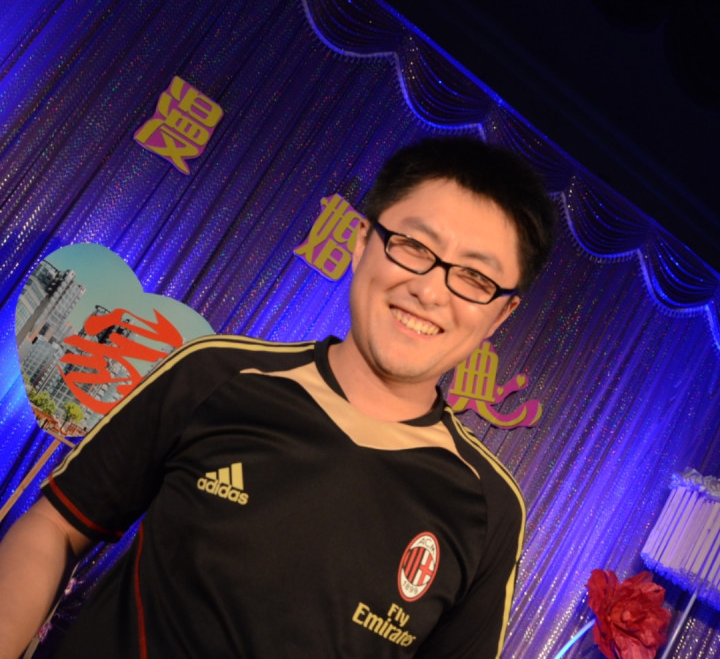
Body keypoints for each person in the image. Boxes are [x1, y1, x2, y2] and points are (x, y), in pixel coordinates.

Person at [0, 135, 555, 658]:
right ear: (362, 242)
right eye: (413, 246)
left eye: (476, 279)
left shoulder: (489, 510)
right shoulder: (218, 374)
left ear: (501, 315)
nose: (430, 290)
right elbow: (58, 525)